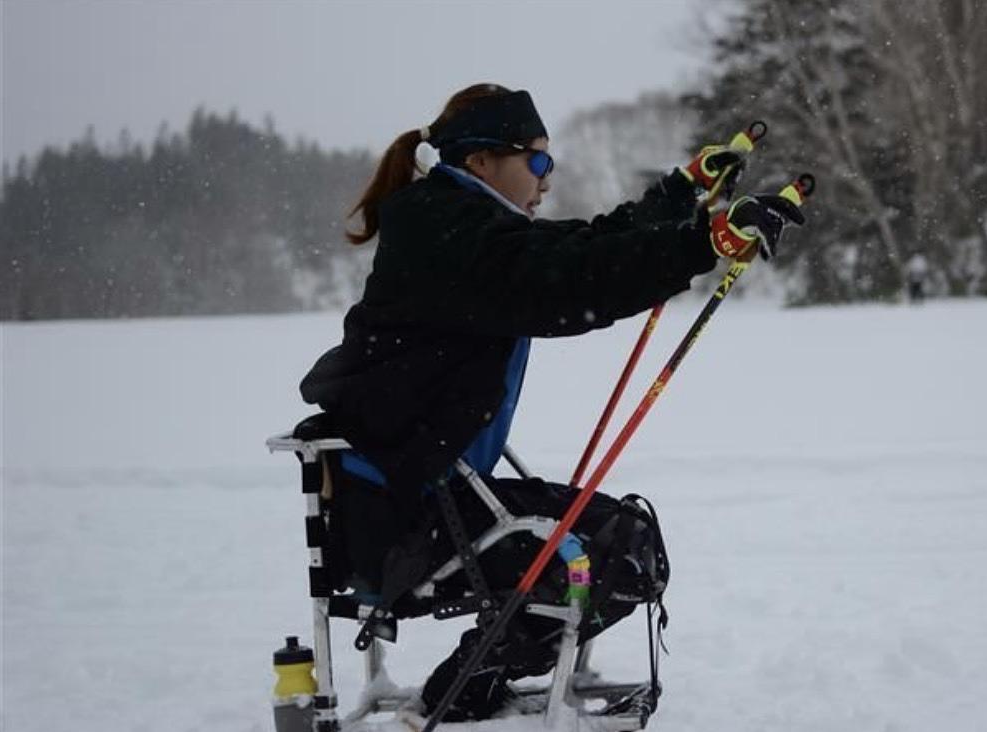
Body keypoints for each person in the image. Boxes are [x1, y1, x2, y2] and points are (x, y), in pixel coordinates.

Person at [297, 83, 805, 722]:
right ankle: (459, 691)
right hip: (403, 524)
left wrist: (680, 197)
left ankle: (474, 681)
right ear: (481, 161)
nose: (546, 178)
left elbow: (578, 249)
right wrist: (702, 243)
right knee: (623, 555)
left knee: (626, 544)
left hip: (424, 503)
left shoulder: (458, 222)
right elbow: (565, 277)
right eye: (536, 161)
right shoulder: (448, 232)